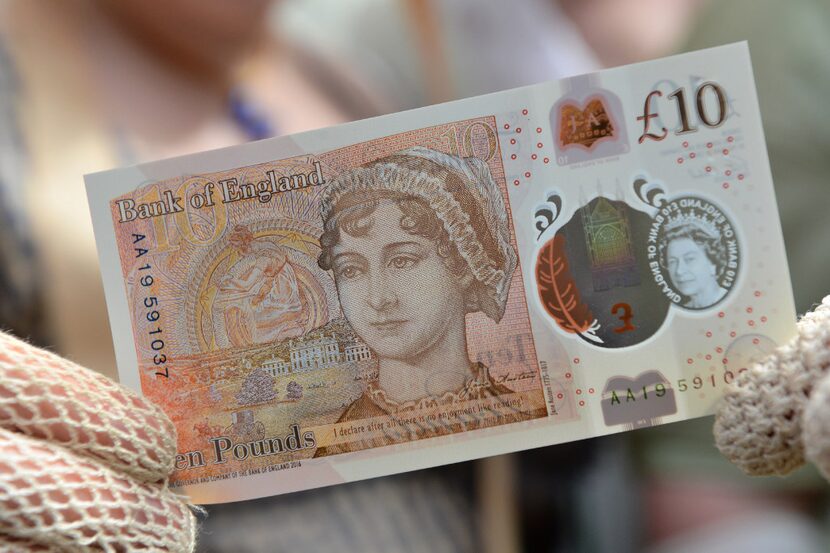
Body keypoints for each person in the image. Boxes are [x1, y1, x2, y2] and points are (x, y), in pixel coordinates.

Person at [313, 147, 545, 456]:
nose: (378, 298)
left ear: (463, 264)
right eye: (351, 269)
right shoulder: (340, 450)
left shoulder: (529, 423)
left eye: (402, 261)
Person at [660, 222, 727, 309]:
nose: (679, 271)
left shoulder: (735, 301)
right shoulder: (681, 312)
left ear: (713, 263)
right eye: (673, 261)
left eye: (689, 259)